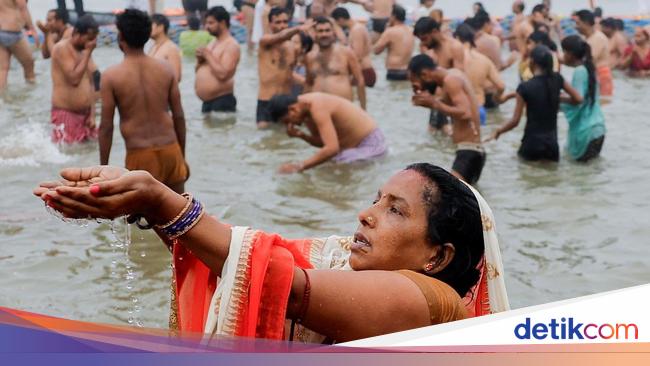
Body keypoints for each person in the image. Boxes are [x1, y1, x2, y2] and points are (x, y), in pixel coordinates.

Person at [34, 161, 509, 342]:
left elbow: (280, 283)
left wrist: (161, 199)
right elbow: (240, 261)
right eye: (375, 200)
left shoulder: (432, 303)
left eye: (395, 212)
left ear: (438, 257)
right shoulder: (344, 262)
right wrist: (146, 206)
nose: (367, 215)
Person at [99, 9, 188, 194]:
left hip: (140, 156)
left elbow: (106, 128)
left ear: (120, 36)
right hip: (172, 151)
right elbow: (178, 116)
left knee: (142, 221)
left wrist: (103, 168)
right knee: (178, 217)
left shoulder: (111, 76)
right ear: (148, 35)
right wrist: (182, 157)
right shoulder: (166, 70)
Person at [487, 45, 582, 162]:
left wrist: (499, 131)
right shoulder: (557, 79)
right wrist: (557, 98)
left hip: (531, 144)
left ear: (532, 62)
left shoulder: (524, 87)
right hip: (552, 146)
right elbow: (578, 99)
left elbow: (515, 121)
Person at [408, 54, 485, 185]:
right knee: (466, 202)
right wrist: (429, 100)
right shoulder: (453, 75)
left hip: (468, 152)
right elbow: (449, 106)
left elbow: (465, 113)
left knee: (451, 199)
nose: (420, 88)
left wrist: (435, 104)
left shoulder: (451, 81)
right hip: (472, 151)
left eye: (418, 83)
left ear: (425, 74)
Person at [269, 93, 386, 172]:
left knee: (333, 168)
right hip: (353, 148)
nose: (291, 125)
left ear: (293, 109)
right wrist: (301, 135)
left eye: (288, 121)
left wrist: (298, 166)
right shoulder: (306, 110)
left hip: (372, 144)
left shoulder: (317, 107)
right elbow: (324, 143)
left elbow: (331, 149)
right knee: (326, 167)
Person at [256, 9, 311, 129]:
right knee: (263, 138)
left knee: (287, 139)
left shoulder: (293, 48)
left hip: (286, 100)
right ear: (270, 24)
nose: (282, 26)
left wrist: (306, 85)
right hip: (266, 100)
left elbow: (289, 74)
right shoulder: (264, 42)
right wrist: (297, 29)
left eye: (285, 22)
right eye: (278, 22)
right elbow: (281, 36)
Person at [50, 14, 99, 145]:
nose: (92, 43)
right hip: (66, 114)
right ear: (76, 33)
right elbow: (74, 79)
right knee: (69, 155)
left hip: (86, 116)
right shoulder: (61, 48)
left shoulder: (84, 51)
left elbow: (91, 84)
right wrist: (88, 53)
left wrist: (93, 114)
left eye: (94, 39)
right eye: (89, 39)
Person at [560, 35, 606, 162]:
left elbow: (578, 99)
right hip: (598, 127)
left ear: (570, 54)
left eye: (563, 52)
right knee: (590, 172)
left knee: (581, 173)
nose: (562, 56)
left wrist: (559, 98)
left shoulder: (579, 71)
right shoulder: (589, 68)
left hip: (586, 130)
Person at [305, 17, 366, 110]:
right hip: (318, 109)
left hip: (343, 108)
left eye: (327, 30)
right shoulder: (310, 57)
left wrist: (363, 109)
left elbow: (360, 81)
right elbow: (308, 83)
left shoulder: (346, 53)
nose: (324, 34)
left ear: (333, 33)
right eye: (320, 31)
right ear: (315, 34)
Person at [454, 24, 505, 126]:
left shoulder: (454, 59)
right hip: (479, 109)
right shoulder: (484, 60)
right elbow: (501, 86)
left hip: (460, 110)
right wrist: (497, 98)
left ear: (457, 38)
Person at [195, 6, 241, 115]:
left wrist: (207, 55)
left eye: (211, 23)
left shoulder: (231, 45)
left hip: (222, 101)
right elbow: (198, 71)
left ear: (223, 23)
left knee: (220, 131)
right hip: (207, 102)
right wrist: (200, 61)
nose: (207, 27)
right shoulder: (212, 43)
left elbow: (223, 75)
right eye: (206, 23)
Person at [331, 7, 376, 88]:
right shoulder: (355, 28)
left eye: (336, 23)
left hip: (364, 72)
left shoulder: (357, 30)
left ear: (340, 20)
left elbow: (357, 55)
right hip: (363, 71)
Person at [0, 0, 37, 91]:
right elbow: (23, 8)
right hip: (13, 31)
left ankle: (2, 98)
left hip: (1, 31)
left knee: (3, 69)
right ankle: (31, 92)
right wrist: (32, 30)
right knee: (29, 63)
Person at [574, 9, 612, 98]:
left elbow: (588, 60)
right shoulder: (586, 38)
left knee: (602, 105)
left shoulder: (598, 38)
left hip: (601, 76)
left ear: (586, 23)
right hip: (592, 75)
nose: (575, 26)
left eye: (578, 23)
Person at [373, 5, 414, 81]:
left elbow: (376, 51)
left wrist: (385, 31)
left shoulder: (390, 31)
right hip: (408, 71)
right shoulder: (411, 30)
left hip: (394, 72)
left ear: (394, 16)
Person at [149, 14, 182, 82]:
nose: (147, 29)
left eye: (150, 25)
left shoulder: (171, 48)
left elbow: (176, 77)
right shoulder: (153, 47)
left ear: (161, 27)